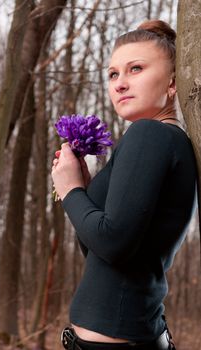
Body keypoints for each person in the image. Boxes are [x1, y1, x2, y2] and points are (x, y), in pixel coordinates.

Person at [51, 19, 197, 350]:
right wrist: (86, 194)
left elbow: (113, 242)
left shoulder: (150, 134)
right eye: (113, 74)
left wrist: (70, 189)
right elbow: (100, 250)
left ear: (173, 82)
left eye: (136, 69)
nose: (119, 83)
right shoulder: (166, 140)